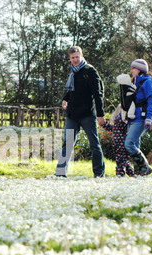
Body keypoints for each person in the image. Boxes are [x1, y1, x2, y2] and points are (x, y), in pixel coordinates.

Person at [55, 46, 106, 178]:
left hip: (87, 114)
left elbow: (98, 94)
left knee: (94, 143)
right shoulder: (73, 72)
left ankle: (99, 173)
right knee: (68, 143)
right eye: (72, 58)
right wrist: (65, 100)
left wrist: (100, 115)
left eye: (77, 57)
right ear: (70, 59)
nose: (75, 60)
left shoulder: (90, 71)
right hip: (73, 115)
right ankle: (60, 173)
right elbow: (70, 91)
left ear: (82, 56)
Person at [124, 59, 152, 176]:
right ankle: (140, 172)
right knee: (135, 145)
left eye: (133, 68)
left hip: (141, 118)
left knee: (129, 144)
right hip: (132, 118)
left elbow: (151, 100)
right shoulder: (134, 82)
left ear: (140, 70)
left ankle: (145, 166)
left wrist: (149, 117)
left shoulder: (147, 82)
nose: (131, 70)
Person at [102, 105, 135, 177]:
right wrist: (105, 124)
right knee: (125, 162)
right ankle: (132, 175)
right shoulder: (123, 121)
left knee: (120, 161)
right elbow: (113, 128)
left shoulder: (120, 119)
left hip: (120, 145)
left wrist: (105, 124)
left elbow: (114, 128)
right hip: (121, 144)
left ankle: (120, 175)